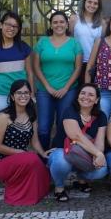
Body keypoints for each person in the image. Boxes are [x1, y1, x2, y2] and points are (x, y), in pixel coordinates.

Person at [0, 80, 50, 206]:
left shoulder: (31, 115)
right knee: (31, 158)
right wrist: (20, 153)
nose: (23, 96)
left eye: (26, 92)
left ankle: (32, 190)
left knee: (45, 172)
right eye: (19, 93)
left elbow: (35, 140)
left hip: (21, 159)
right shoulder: (4, 116)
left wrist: (44, 154)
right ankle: (17, 193)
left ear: (30, 95)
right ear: (12, 97)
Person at [48, 83, 108, 202]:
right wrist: (98, 154)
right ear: (77, 96)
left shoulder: (101, 116)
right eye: (83, 93)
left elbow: (100, 142)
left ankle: (81, 179)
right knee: (61, 161)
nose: (86, 97)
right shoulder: (70, 111)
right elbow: (76, 136)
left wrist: (98, 155)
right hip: (62, 150)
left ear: (96, 100)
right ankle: (59, 187)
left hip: (83, 153)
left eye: (91, 95)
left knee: (102, 170)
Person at [33, 11, 82, 149]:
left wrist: (65, 88)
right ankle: (43, 159)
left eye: (61, 22)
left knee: (63, 125)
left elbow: (78, 68)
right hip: (44, 91)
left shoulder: (74, 43)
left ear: (67, 25)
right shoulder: (42, 42)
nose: (58, 25)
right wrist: (48, 87)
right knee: (43, 127)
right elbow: (36, 67)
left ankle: (58, 158)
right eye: (55, 22)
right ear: (51, 25)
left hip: (68, 91)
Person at [0, 11, 33, 119]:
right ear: (1, 25)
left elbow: (30, 73)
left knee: (22, 130)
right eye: (8, 24)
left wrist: (31, 95)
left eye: (15, 26)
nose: (11, 28)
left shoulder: (23, 47)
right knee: (2, 131)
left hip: (21, 95)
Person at [69, 0, 104, 85]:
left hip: (94, 64)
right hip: (77, 62)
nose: (92, 5)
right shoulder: (74, 19)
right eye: (89, 2)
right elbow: (70, 40)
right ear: (84, 2)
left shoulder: (102, 23)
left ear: (98, 6)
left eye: (95, 3)